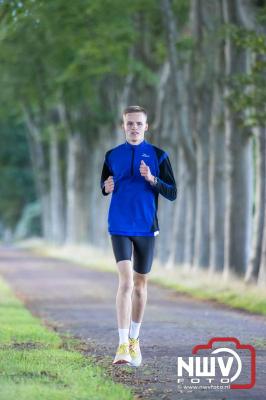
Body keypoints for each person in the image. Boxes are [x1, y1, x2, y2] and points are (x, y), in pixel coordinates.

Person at [100, 105, 177, 367]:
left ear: (147, 126)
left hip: (146, 227)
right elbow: (105, 184)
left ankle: (134, 339)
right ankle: (121, 346)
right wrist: (105, 186)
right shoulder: (112, 155)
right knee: (125, 283)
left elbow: (172, 192)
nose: (134, 127)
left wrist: (152, 178)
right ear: (123, 126)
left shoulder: (159, 155)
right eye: (129, 123)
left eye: (138, 123)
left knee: (141, 286)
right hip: (119, 225)